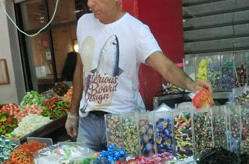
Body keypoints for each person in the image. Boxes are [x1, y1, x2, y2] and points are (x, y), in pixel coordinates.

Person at [66, 0, 212, 150]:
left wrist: (191, 84)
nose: (90, 4)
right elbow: (80, 67)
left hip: (121, 122)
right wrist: (73, 113)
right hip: (87, 123)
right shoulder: (84, 23)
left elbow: (165, 67)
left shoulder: (136, 30)